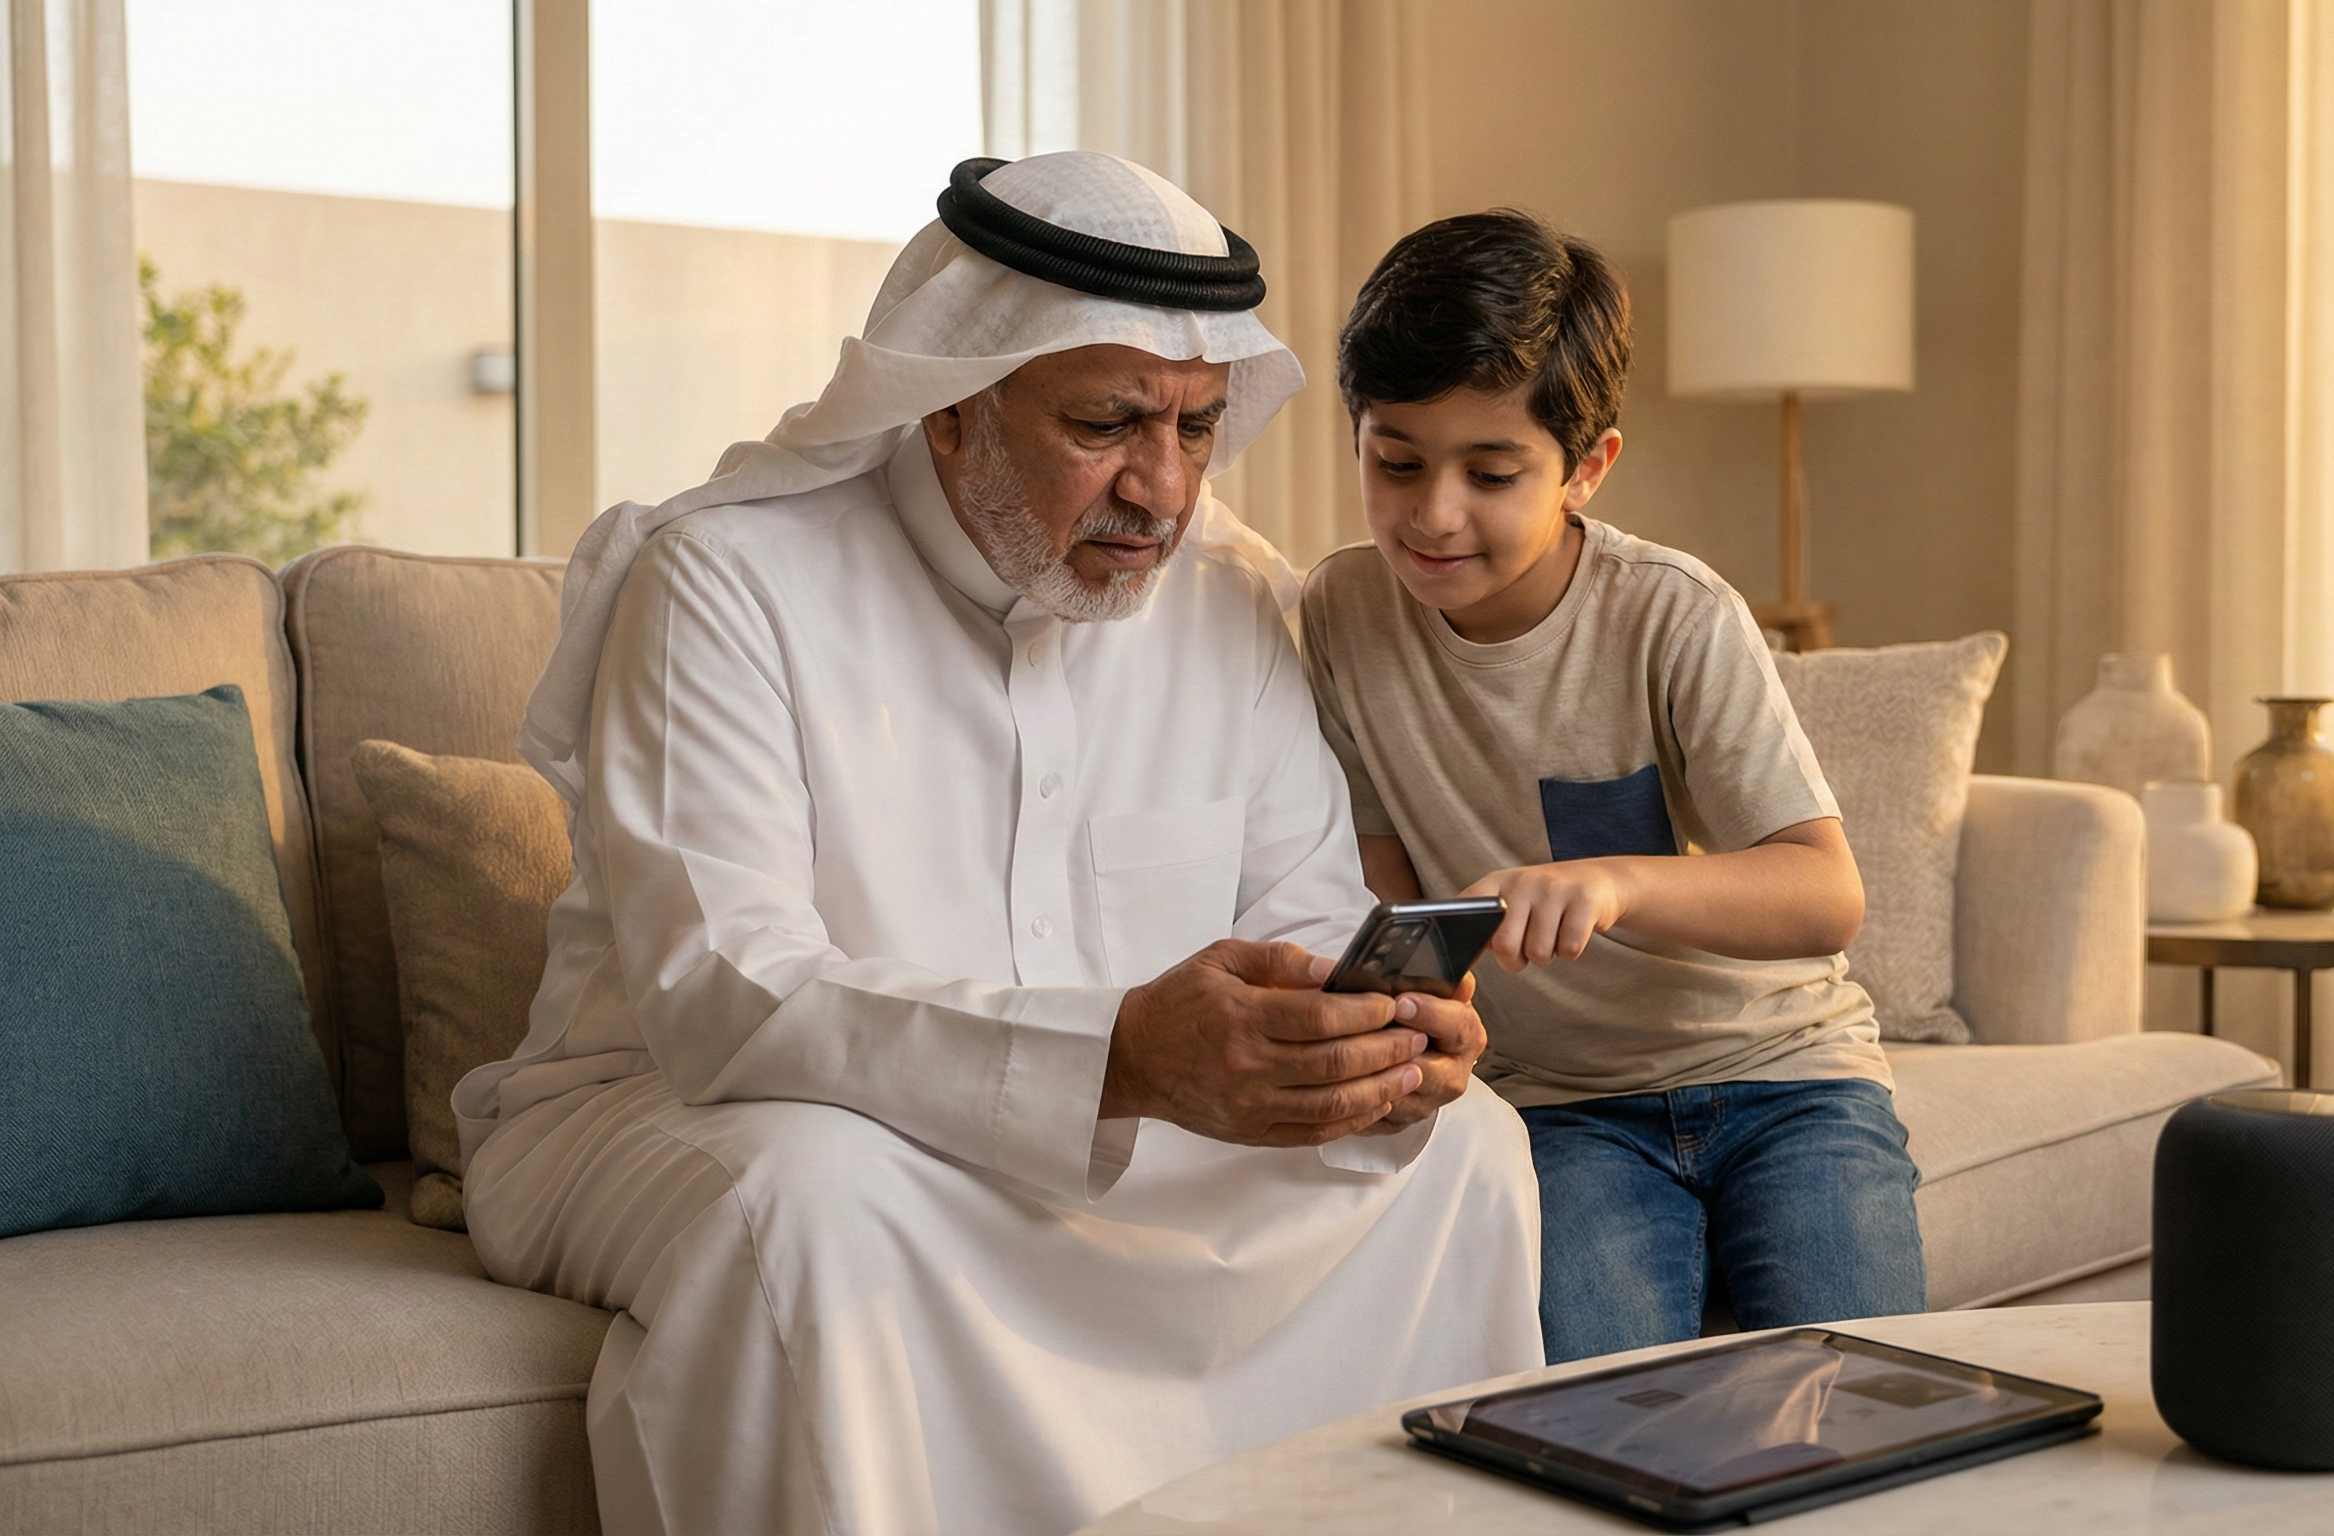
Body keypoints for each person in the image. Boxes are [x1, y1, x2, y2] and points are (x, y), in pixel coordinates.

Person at [451, 153, 1541, 1536]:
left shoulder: (1231, 599)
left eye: (1199, 428)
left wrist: (1377, 1039)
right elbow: (728, 995)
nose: (1164, 490)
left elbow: (1309, 918)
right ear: (953, 407)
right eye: (1109, 424)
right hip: (688, 1108)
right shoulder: (728, 582)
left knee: (1463, 1151)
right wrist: (1126, 1054)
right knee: (816, 1204)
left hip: (1128, 1119)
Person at [1297, 210, 1925, 1364]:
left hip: (1785, 1079)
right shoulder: (1337, 617)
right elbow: (1386, 899)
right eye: (1394, 462)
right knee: (1605, 1416)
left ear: (1587, 467)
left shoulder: (1672, 614)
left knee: (1860, 1403)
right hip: (1562, 1112)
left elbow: (1823, 895)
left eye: (1491, 473)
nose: (1433, 514)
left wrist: (1617, 886)